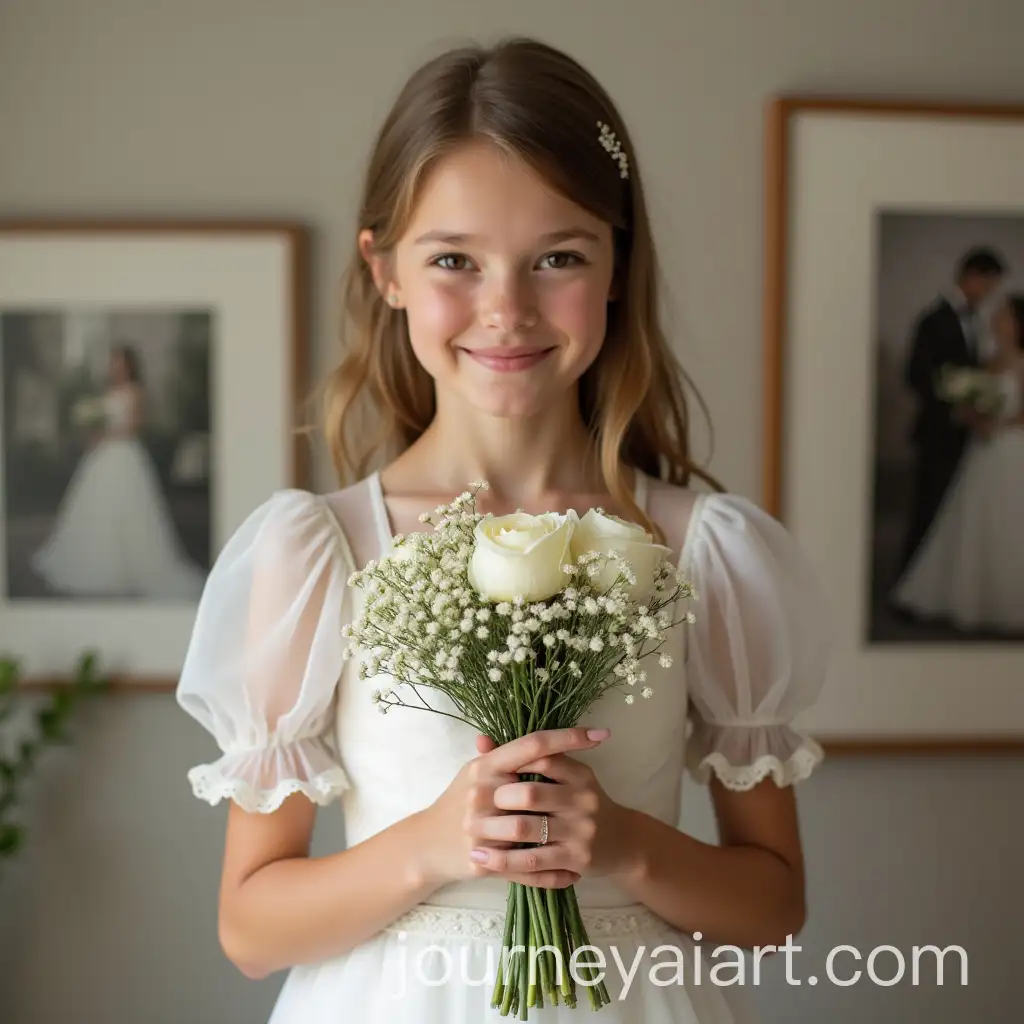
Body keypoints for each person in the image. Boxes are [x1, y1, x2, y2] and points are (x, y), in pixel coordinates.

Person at [175, 38, 834, 1022]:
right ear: (385, 269)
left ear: (617, 264)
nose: (506, 310)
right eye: (453, 260)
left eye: (558, 257)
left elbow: (773, 906)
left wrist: (623, 846)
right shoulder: (319, 553)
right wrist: (437, 843)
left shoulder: (704, 552)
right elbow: (250, 927)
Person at [891, 294, 1024, 632]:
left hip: (1010, 450)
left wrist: (999, 425)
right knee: (970, 519)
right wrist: (970, 413)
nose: (998, 318)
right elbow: (974, 401)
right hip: (981, 451)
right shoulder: (989, 359)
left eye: (1005, 315)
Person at [32, 343, 206, 601]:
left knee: (129, 509)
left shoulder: (136, 392)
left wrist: (106, 433)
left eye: (121, 363)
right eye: (113, 362)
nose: (117, 367)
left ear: (130, 365)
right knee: (96, 508)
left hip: (124, 454)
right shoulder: (108, 391)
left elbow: (134, 427)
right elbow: (103, 422)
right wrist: (94, 431)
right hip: (103, 455)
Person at [899, 246, 1007, 573]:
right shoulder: (934, 319)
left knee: (950, 515)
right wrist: (955, 401)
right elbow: (915, 375)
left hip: (965, 436)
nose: (989, 294)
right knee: (928, 510)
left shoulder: (974, 321)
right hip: (937, 433)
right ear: (972, 277)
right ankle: (909, 585)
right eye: (988, 285)